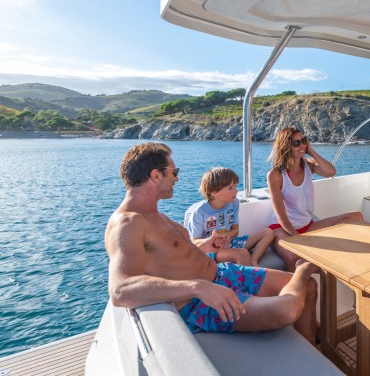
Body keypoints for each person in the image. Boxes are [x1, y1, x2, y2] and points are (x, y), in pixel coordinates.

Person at [105, 142, 318, 344]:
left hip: (222, 274)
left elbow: (169, 256)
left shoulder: (155, 215)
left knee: (308, 287)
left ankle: (312, 355)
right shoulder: (128, 223)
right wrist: (198, 288)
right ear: (155, 175)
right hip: (199, 303)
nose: (176, 179)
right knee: (287, 309)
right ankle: (303, 266)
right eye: (174, 172)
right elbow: (120, 290)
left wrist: (205, 245)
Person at [267, 127, 363, 271]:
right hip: (282, 228)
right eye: (296, 143)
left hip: (307, 225)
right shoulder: (276, 175)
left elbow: (331, 171)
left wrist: (310, 150)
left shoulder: (308, 165)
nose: (302, 145)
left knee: (356, 216)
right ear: (286, 146)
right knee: (294, 258)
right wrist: (296, 236)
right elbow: (281, 215)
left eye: (303, 141)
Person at [184, 167, 274, 267]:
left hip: (229, 242)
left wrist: (228, 236)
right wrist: (211, 240)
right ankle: (249, 276)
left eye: (235, 186)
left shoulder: (234, 203)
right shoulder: (200, 212)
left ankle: (253, 261)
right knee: (242, 253)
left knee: (269, 232)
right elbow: (195, 242)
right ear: (214, 192)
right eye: (230, 188)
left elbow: (235, 230)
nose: (236, 191)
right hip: (211, 250)